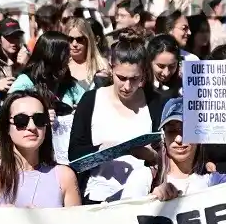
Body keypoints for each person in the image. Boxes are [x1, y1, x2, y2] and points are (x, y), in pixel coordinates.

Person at [67, 36, 172, 203]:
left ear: (143, 74)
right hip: (98, 196)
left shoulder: (156, 102)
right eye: (121, 78)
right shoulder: (91, 100)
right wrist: (101, 149)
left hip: (145, 195)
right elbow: (74, 154)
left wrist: (151, 156)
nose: (127, 86)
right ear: (111, 69)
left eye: (134, 79)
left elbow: (172, 151)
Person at [0, 89, 80, 207]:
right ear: (6, 127)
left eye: (39, 119)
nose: (32, 127)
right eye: (21, 120)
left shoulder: (65, 176)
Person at [120, 97, 226, 200]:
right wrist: (151, 200)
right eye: (171, 131)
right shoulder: (143, 177)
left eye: (186, 130)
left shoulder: (215, 181)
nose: (179, 139)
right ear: (163, 136)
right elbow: (122, 217)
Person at [9, 31, 85, 108]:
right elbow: (8, 111)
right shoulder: (25, 82)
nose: (70, 56)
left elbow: (89, 102)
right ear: (52, 55)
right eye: (66, 53)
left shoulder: (67, 82)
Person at [64, 15, 107, 90]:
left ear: (88, 40)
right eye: (70, 39)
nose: (74, 44)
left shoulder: (102, 65)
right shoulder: (60, 65)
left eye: (80, 39)